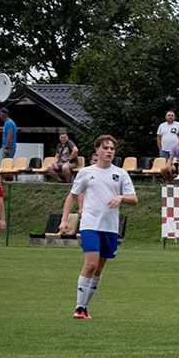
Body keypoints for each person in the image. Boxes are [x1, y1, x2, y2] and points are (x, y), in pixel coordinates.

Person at [59, 135, 137, 319]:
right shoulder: (86, 172)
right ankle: (79, 308)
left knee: (99, 268)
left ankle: (84, 307)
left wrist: (121, 198)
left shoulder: (121, 174)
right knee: (91, 264)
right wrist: (64, 220)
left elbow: (134, 198)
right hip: (90, 224)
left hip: (110, 227)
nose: (109, 151)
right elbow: (72, 195)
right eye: (105, 148)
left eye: (112, 148)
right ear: (97, 151)